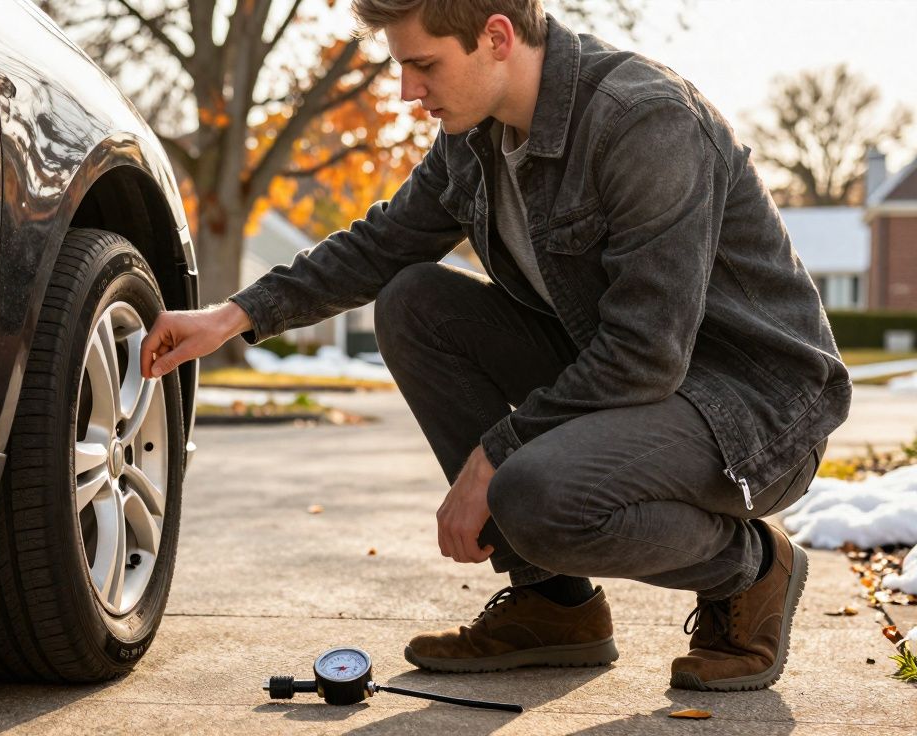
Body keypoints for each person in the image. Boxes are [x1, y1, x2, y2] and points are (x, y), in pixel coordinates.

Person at [138, 0, 850, 692]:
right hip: (635, 382)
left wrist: (495, 452)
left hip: (750, 409)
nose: (407, 91)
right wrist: (231, 317)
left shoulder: (644, 121)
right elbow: (382, 244)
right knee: (414, 302)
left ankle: (752, 569)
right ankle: (554, 607)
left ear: (498, 37)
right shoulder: (472, 138)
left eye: (423, 65)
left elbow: (645, 353)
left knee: (533, 495)